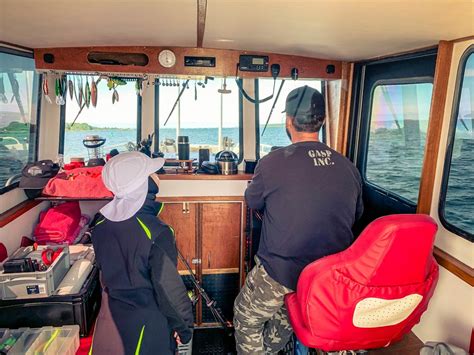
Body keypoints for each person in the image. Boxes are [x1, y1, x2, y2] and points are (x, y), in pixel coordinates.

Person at [233, 86, 364, 354]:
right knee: (288, 313)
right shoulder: (347, 166)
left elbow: (253, 201)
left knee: (246, 317)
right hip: (329, 277)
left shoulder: (271, 163)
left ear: (288, 121)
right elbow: (356, 215)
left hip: (281, 273)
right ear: (323, 122)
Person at [89, 151, 193, 355]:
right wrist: (184, 327)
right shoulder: (157, 232)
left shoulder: (99, 223)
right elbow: (168, 290)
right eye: (152, 173)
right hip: (148, 326)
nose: (157, 176)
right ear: (144, 184)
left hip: (110, 321)